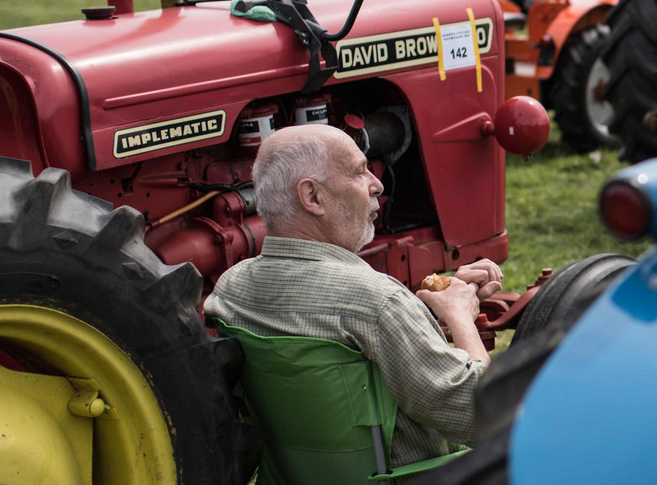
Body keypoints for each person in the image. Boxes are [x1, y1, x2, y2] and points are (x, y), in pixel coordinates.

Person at [202, 124, 500, 460]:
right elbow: (488, 416)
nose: (378, 184)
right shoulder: (378, 303)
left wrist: (420, 314)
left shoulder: (229, 291)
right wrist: (460, 318)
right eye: (360, 172)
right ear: (312, 197)